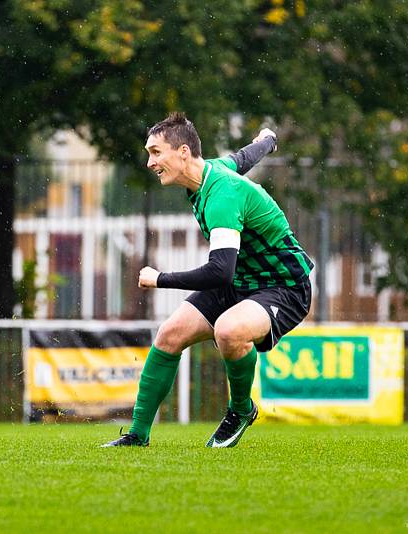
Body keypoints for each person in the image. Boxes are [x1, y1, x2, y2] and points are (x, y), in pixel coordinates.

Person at [103, 112, 313, 448]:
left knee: (229, 330)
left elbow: (219, 271)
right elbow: (244, 158)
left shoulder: (222, 197)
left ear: (183, 152)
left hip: (282, 286)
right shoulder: (212, 171)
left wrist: (161, 279)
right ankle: (136, 436)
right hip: (242, 282)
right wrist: (267, 142)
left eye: (156, 152)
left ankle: (241, 410)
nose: (149, 162)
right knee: (170, 334)